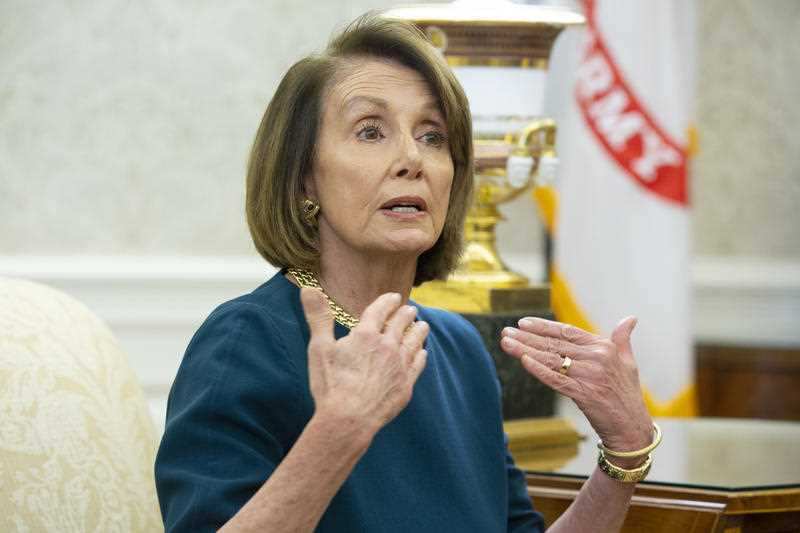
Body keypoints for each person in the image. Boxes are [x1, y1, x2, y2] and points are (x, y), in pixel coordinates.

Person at [155, 13, 658, 533]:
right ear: (304, 178)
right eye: (370, 131)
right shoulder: (245, 341)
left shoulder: (460, 348)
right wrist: (341, 430)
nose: (412, 159)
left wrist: (623, 456)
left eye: (433, 136)